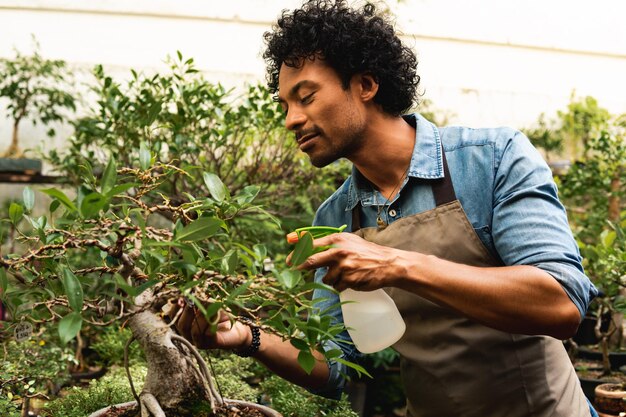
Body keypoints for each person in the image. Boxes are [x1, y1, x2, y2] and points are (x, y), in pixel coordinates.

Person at [175, 1, 600, 416]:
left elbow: (561, 303)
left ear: (365, 85)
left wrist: (397, 265)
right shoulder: (337, 217)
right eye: (284, 105)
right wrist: (248, 338)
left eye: (305, 97)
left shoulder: (489, 159)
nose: (290, 119)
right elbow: (333, 365)